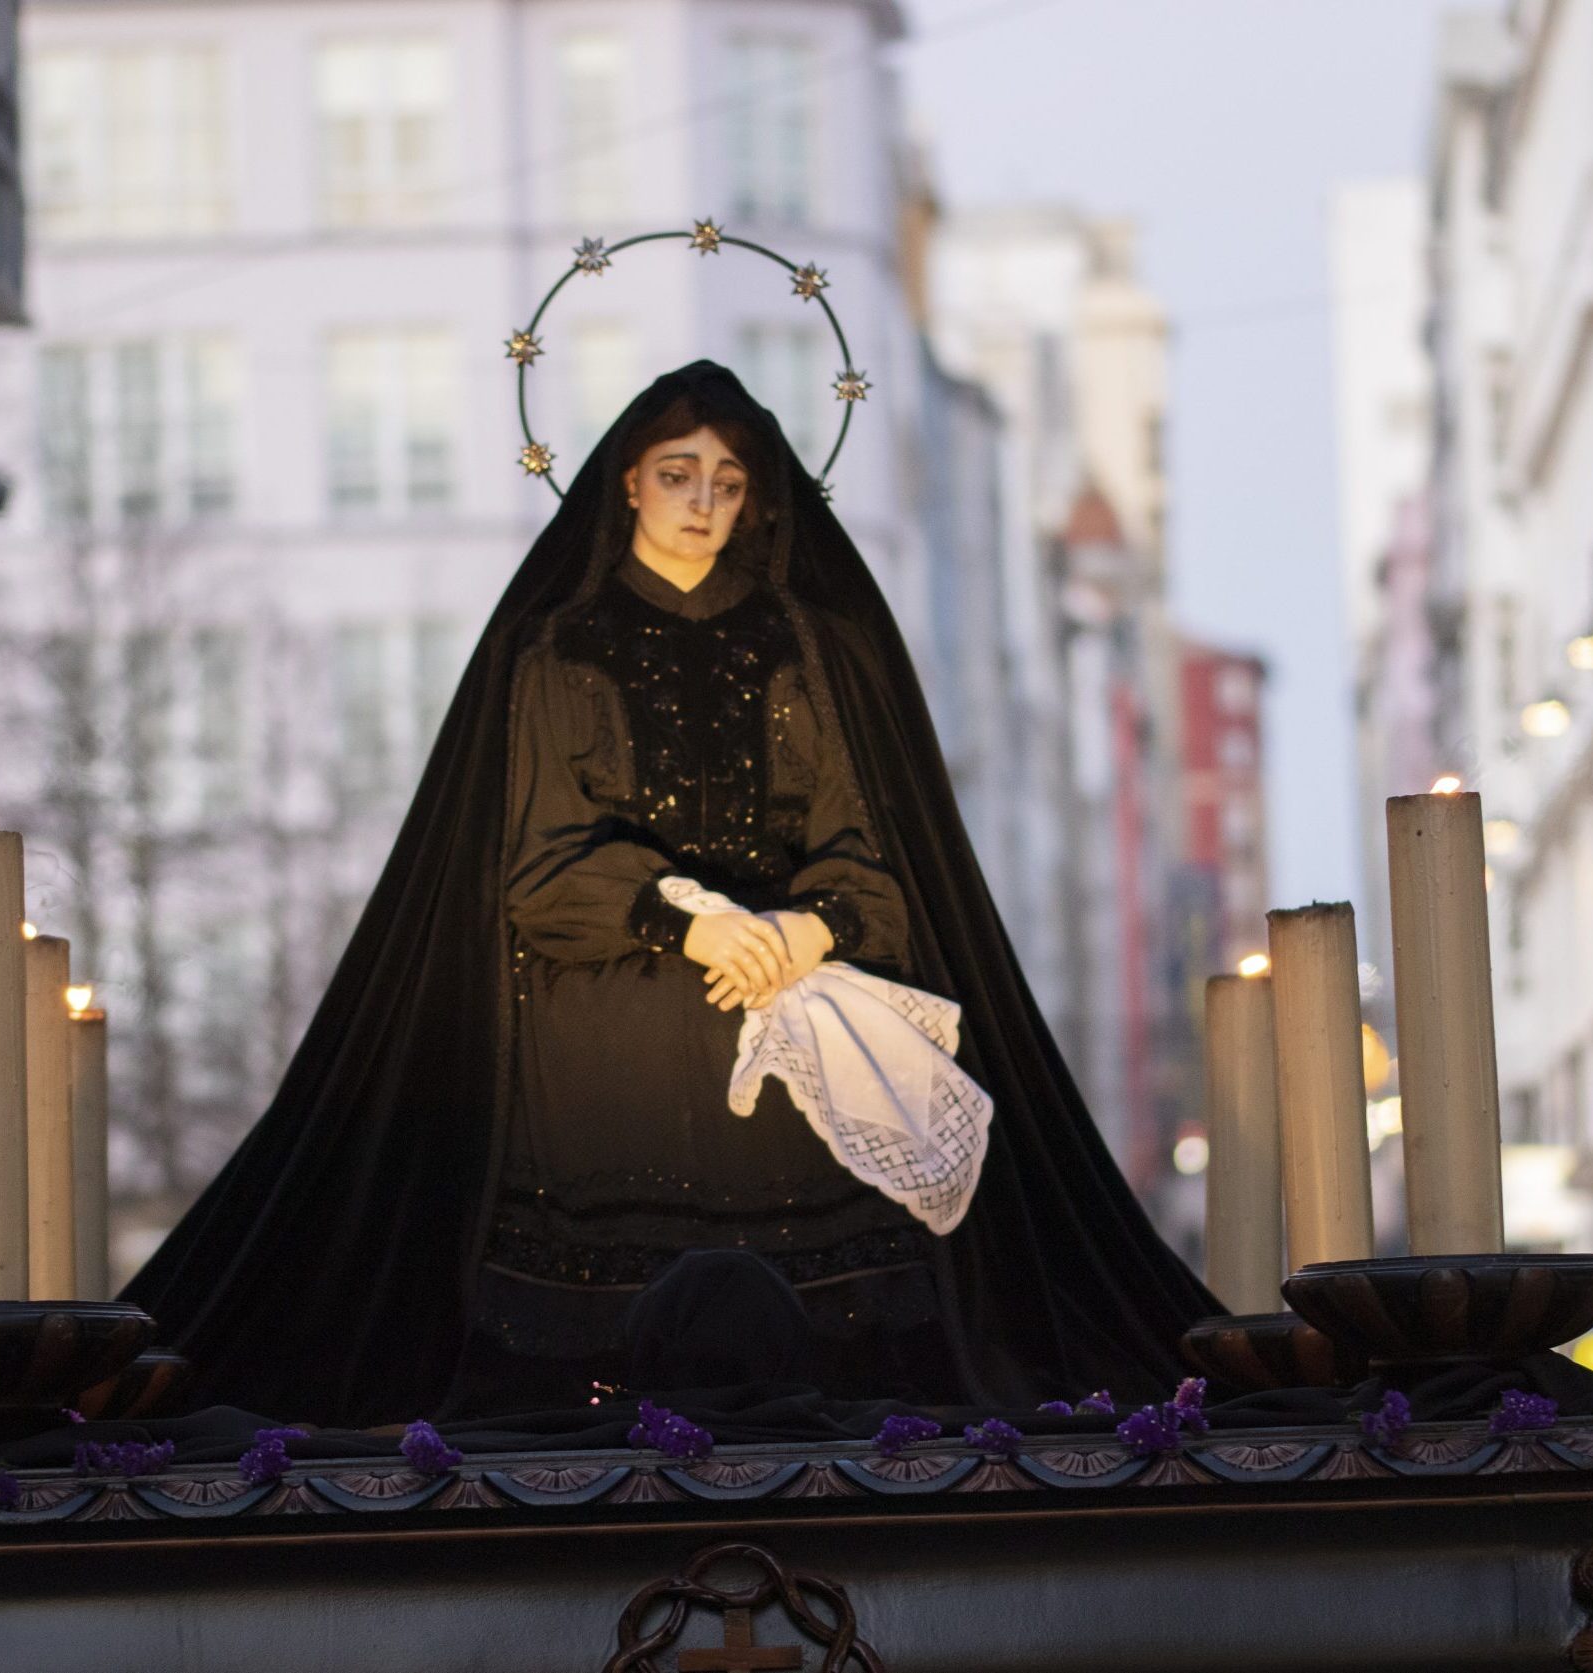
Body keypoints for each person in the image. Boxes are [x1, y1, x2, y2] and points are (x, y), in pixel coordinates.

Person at [125, 363, 1216, 1427]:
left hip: (788, 1047)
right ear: (628, 483)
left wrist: (802, 926)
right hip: (606, 1046)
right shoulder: (558, 650)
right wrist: (686, 919)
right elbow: (538, 866)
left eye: (729, 481)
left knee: (821, 1364)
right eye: (678, 472)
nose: (703, 503)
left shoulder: (805, 647)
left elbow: (869, 854)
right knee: (599, 1360)